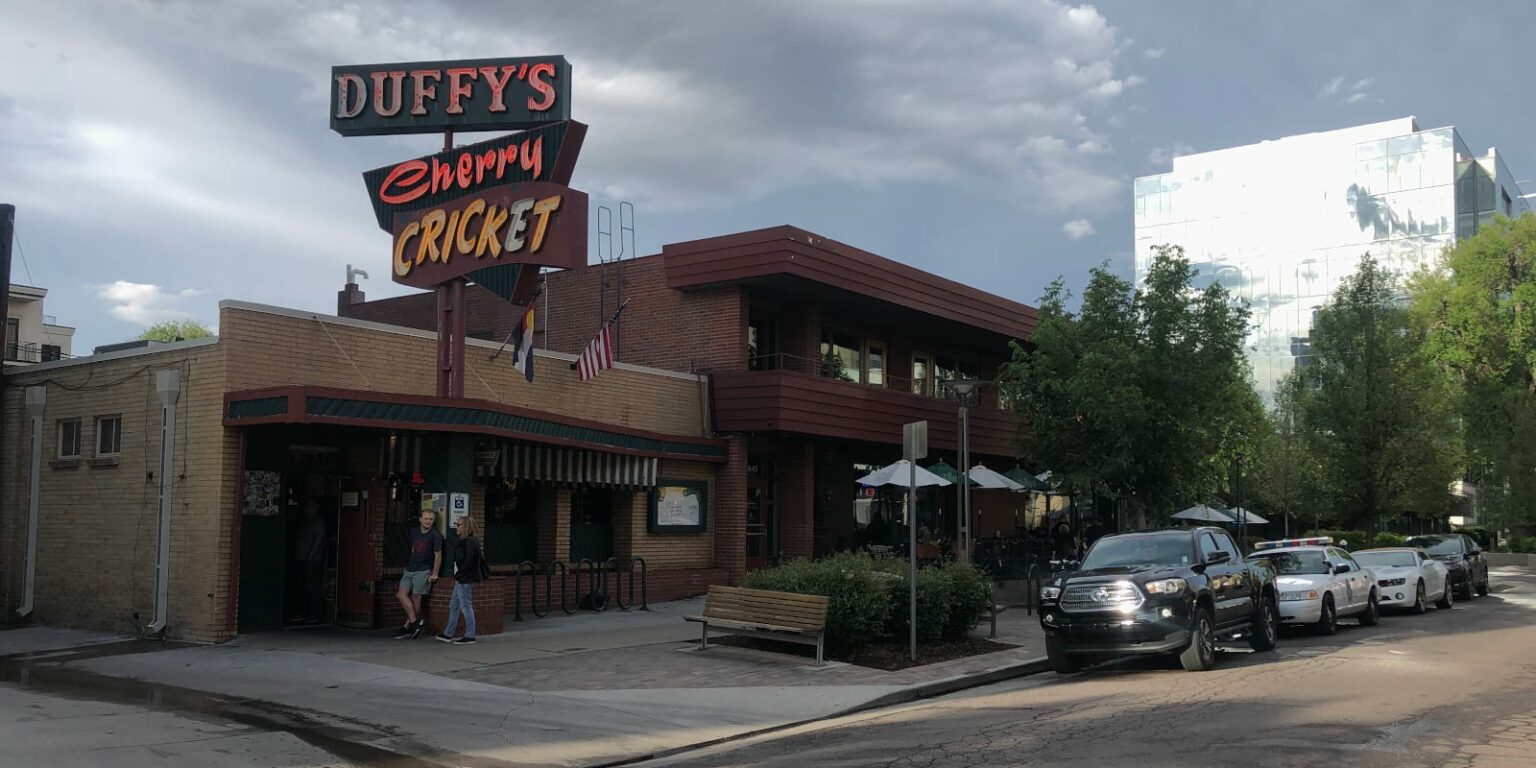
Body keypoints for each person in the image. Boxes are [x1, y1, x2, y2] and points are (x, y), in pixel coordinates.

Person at [394, 508, 443, 639]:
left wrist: (435, 573)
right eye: (426, 518)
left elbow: (438, 554)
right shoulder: (414, 532)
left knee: (416, 597)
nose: (428, 521)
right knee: (400, 594)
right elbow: (413, 548)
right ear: (420, 519)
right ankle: (414, 622)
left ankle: (407, 626)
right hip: (410, 568)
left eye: (431, 519)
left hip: (423, 570)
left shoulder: (435, 535)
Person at [437, 516, 485, 645]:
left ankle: (470, 635)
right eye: (456, 524)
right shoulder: (463, 541)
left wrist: (460, 574)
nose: (456, 527)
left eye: (458, 525)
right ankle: (448, 633)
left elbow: (469, 561)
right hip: (461, 578)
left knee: (465, 606)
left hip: (464, 578)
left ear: (466, 527)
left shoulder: (470, 542)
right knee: (454, 605)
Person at [294, 501, 328, 624]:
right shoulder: (306, 521)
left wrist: (311, 554)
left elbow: (319, 538)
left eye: (308, 506)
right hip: (302, 558)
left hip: (312, 560)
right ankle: (304, 613)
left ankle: (315, 615)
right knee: (303, 586)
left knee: (312, 587)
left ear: (314, 507)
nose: (306, 510)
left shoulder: (318, 522)